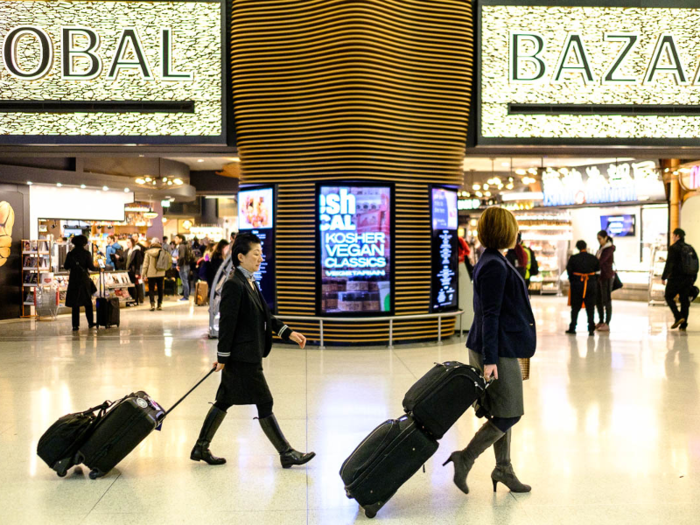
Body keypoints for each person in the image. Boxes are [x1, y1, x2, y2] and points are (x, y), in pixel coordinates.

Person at [191, 232, 315, 468]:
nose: (260, 258)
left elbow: (265, 315)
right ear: (241, 257)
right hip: (242, 358)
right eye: (256, 254)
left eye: (261, 254)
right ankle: (286, 452)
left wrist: (288, 332)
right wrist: (222, 358)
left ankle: (200, 447)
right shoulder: (234, 285)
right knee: (265, 401)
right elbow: (227, 326)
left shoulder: (248, 281)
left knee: (224, 400)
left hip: (248, 355)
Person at [444, 207, 535, 495]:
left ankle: (504, 468)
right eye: (513, 226)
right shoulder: (494, 264)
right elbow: (491, 315)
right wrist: (491, 359)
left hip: (496, 345)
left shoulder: (493, 259)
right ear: (504, 230)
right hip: (496, 348)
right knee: (509, 414)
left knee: (501, 410)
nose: (516, 231)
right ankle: (466, 458)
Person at [663, 228, 698, 331]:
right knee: (684, 301)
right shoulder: (689, 248)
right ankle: (683, 325)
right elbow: (695, 264)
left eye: (673, 235)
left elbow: (669, 263)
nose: (673, 237)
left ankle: (678, 317)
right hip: (688, 278)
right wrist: (692, 279)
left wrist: (664, 277)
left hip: (675, 278)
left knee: (668, 296)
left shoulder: (673, 248)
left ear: (678, 236)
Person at [565, 240, 600, 336]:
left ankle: (572, 327)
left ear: (577, 247)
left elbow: (569, 271)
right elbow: (598, 271)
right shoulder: (593, 258)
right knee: (590, 307)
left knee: (575, 307)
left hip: (577, 284)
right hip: (591, 284)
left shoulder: (573, 258)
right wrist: (593, 280)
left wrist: (573, 280)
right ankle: (591, 329)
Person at [64, 235, 96, 331]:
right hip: (84, 280)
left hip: (74, 280)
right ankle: (90, 322)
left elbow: (66, 266)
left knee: (75, 304)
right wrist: (99, 267)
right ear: (84, 243)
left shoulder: (70, 254)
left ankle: (75, 325)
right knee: (87, 302)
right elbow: (91, 267)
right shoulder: (87, 253)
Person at [595, 230, 616, 331]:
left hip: (606, 277)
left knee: (606, 299)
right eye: (598, 239)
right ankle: (601, 321)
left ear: (605, 238)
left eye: (600, 239)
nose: (599, 241)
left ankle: (607, 323)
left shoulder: (608, 249)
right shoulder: (602, 248)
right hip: (600, 277)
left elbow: (600, 261)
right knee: (598, 299)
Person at [142, 238, 168, 311]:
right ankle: (159, 304)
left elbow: (145, 264)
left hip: (151, 273)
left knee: (151, 289)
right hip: (161, 272)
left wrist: (143, 274)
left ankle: (152, 304)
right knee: (160, 289)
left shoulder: (148, 252)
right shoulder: (163, 251)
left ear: (152, 243)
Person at [125, 237, 144, 305]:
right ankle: (132, 299)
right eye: (126, 242)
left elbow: (138, 262)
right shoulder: (127, 251)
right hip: (128, 271)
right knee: (130, 286)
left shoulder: (136, 251)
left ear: (132, 243)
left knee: (135, 286)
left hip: (133, 271)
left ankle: (136, 300)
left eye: (128, 242)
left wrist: (137, 272)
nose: (127, 244)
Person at [175, 235, 192, 302]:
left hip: (183, 265)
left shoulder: (181, 246)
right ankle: (186, 295)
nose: (175, 240)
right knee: (186, 281)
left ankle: (186, 297)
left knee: (184, 281)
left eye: (176, 238)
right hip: (187, 264)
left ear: (180, 239)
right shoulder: (187, 245)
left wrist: (178, 264)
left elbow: (182, 257)